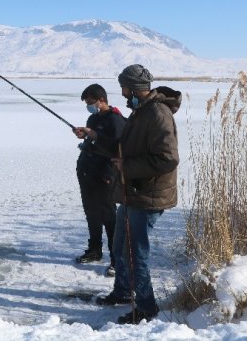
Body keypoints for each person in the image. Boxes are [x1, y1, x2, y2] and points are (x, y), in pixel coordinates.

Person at [76, 64, 181, 324]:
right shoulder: (140, 111)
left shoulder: (157, 113)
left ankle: (145, 307)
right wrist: (93, 136)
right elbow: (123, 146)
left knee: (135, 252)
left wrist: (128, 167)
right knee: (120, 247)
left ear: (134, 88)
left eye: (123, 87)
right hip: (133, 192)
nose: (122, 93)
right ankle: (123, 291)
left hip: (147, 195)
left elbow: (168, 159)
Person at [72, 84, 125, 277]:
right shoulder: (93, 118)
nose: (89, 106)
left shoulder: (116, 120)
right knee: (91, 213)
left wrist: (110, 176)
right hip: (87, 173)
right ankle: (94, 249)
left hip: (105, 176)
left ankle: (116, 258)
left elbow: (118, 149)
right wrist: (84, 134)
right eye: (87, 103)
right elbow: (93, 141)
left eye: (90, 102)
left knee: (109, 218)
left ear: (101, 100)